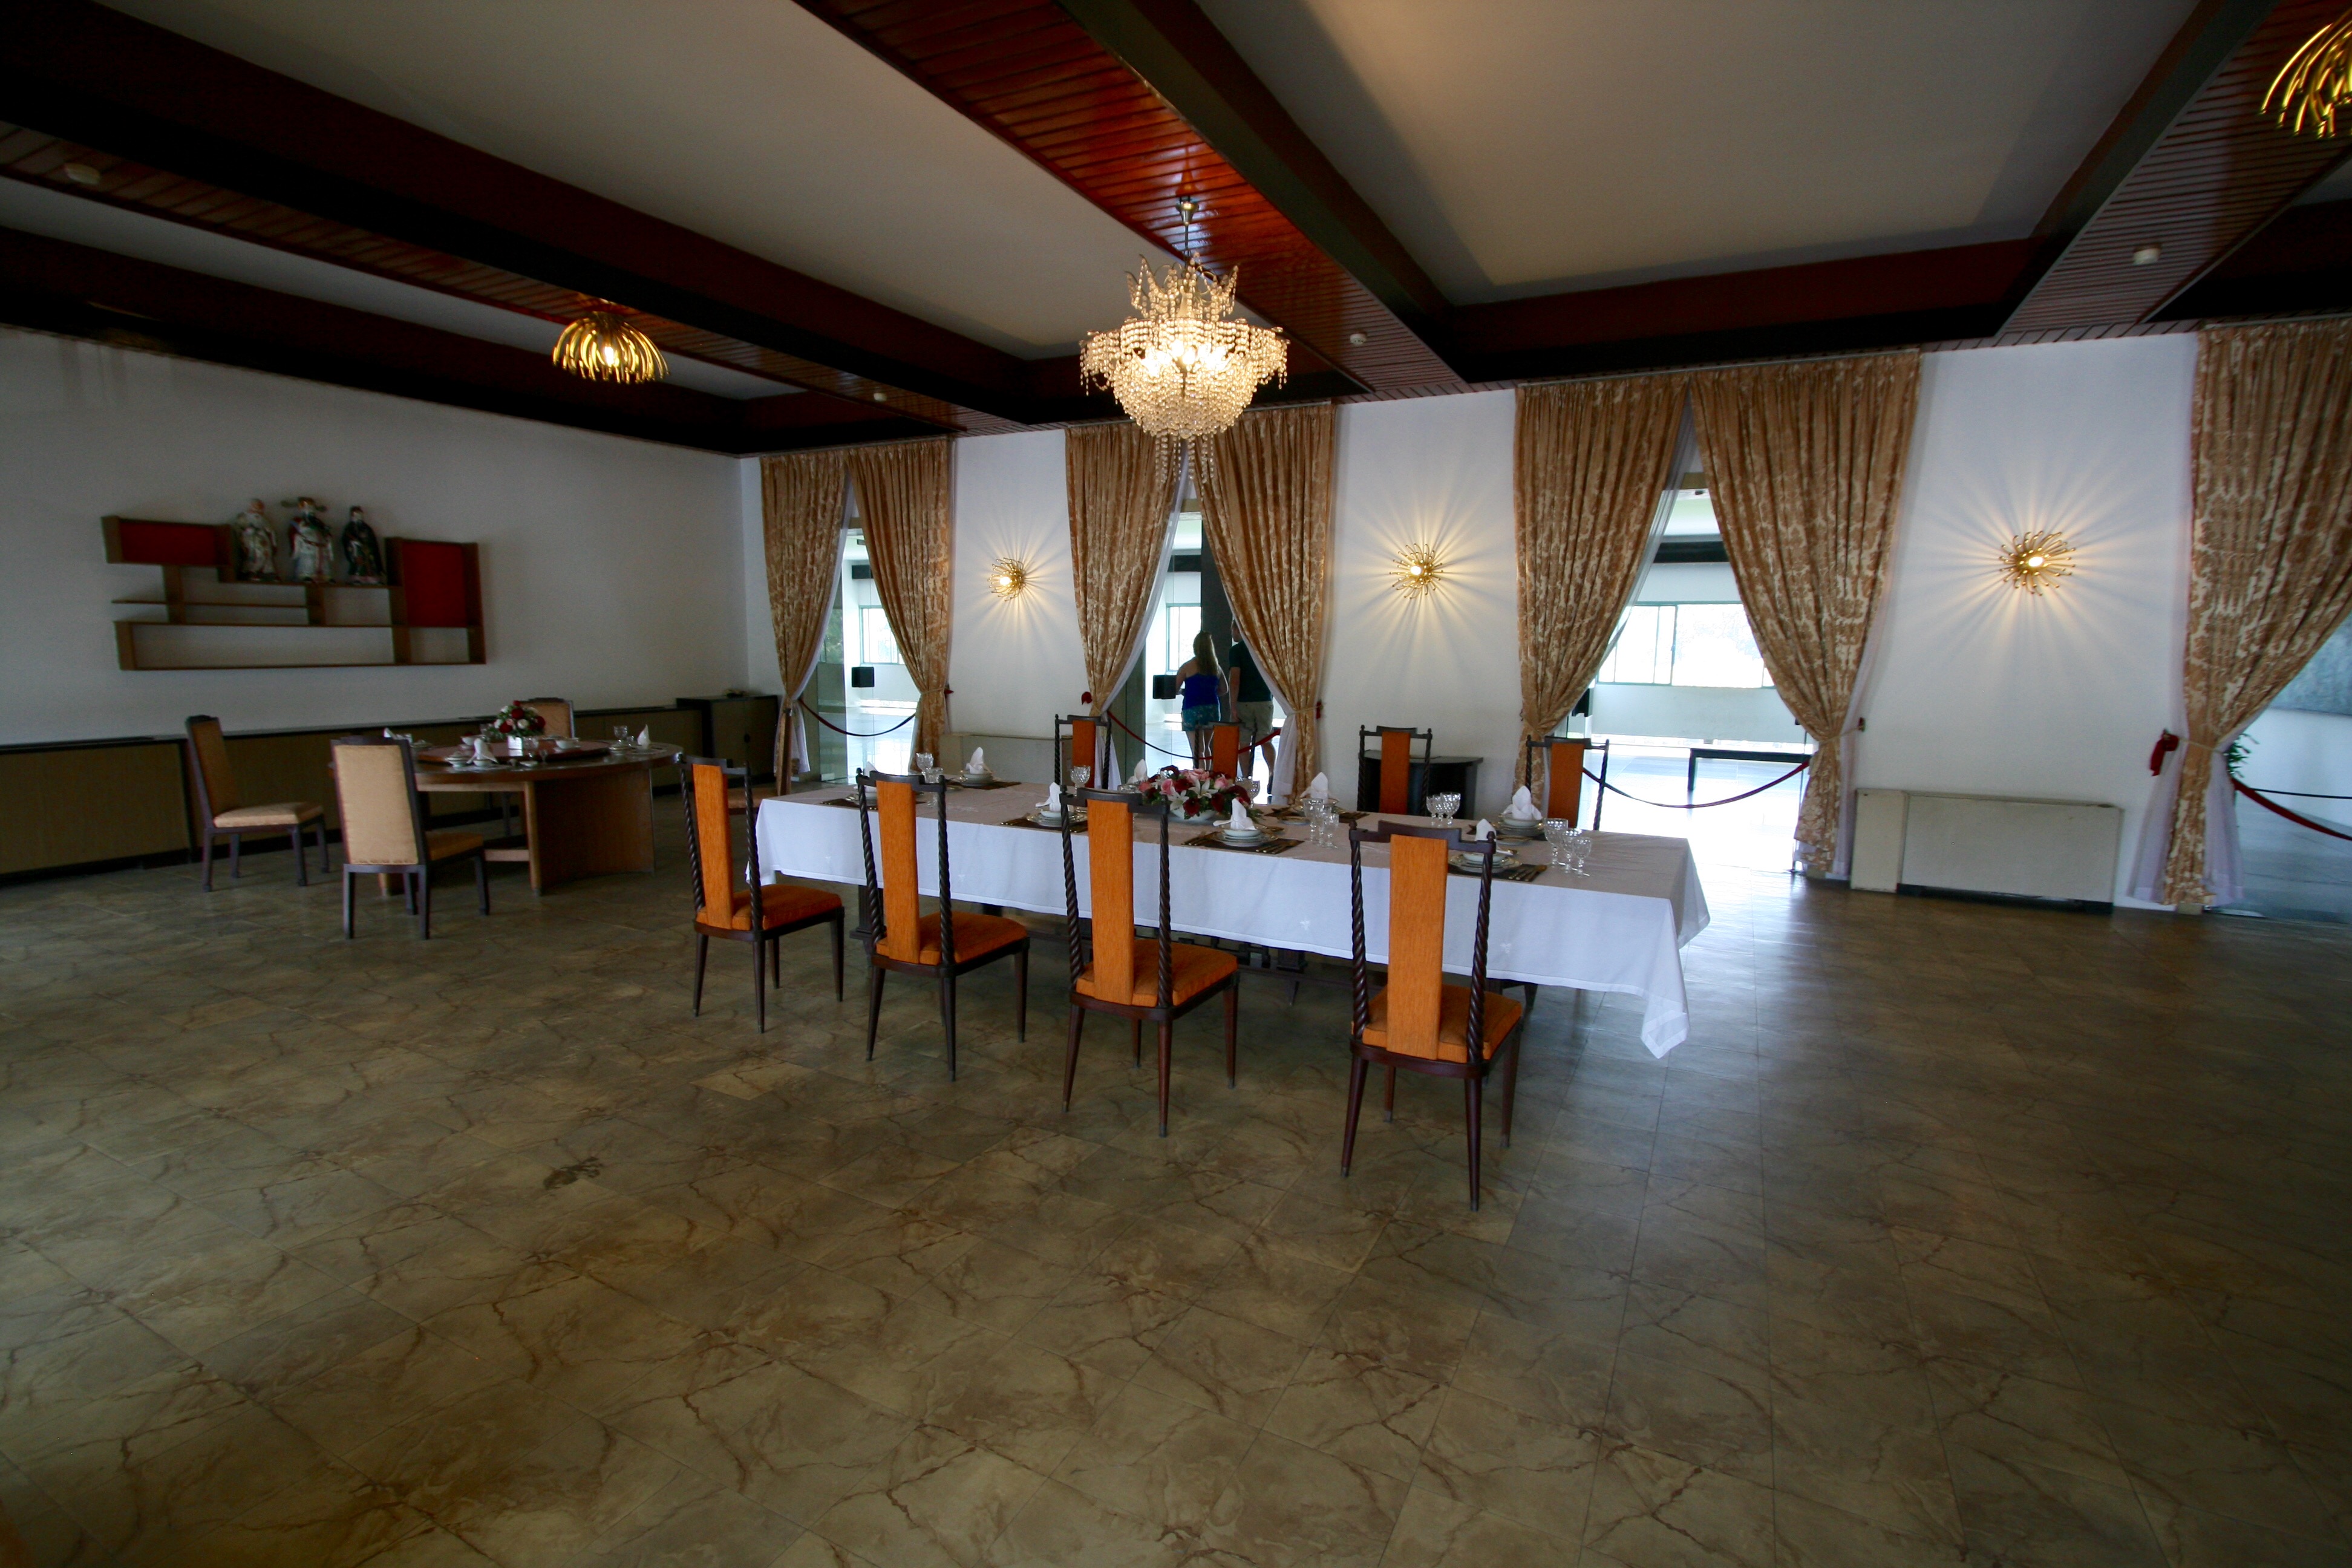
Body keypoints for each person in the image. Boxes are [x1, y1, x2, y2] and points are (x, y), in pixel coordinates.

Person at [1228, 635, 1277, 778]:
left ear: (1238, 629)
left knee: (1244, 743)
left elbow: (1235, 680)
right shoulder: (1265, 647)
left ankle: (1246, 778)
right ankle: (1272, 773)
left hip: (1244, 702)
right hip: (1265, 700)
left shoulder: (1237, 650)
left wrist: (1233, 705)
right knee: (1266, 741)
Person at [1175, 630, 1224, 768]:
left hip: (1192, 709)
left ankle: (1200, 777)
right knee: (1206, 748)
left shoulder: (1187, 667)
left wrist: (1184, 691)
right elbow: (1224, 689)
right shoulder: (1216, 667)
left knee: (1197, 751)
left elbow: (1174, 688)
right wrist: (1209, 692)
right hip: (1212, 709)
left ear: (1195, 647)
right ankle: (1208, 775)